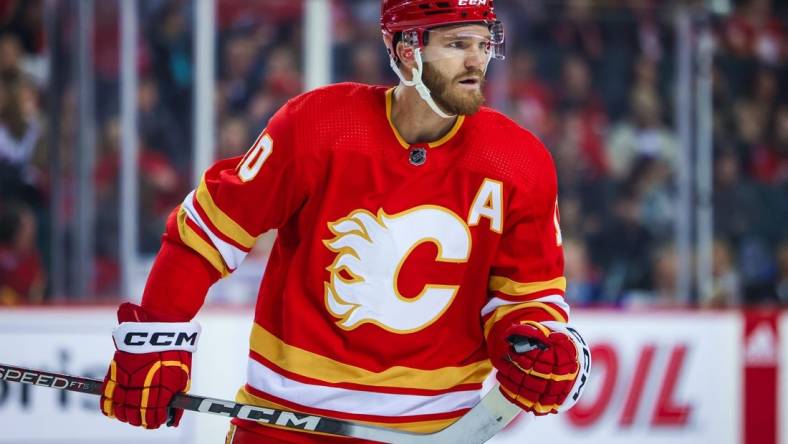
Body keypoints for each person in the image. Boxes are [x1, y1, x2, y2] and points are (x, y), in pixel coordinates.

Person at [99, 2, 591, 443]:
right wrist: (159, 334)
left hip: (438, 429)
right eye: (457, 44)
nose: (475, 61)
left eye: (484, 44)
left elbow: (526, 298)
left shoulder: (518, 162)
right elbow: (205, 234)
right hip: (286, 427)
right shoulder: (318, 126)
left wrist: (537, 349)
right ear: (405, 51)